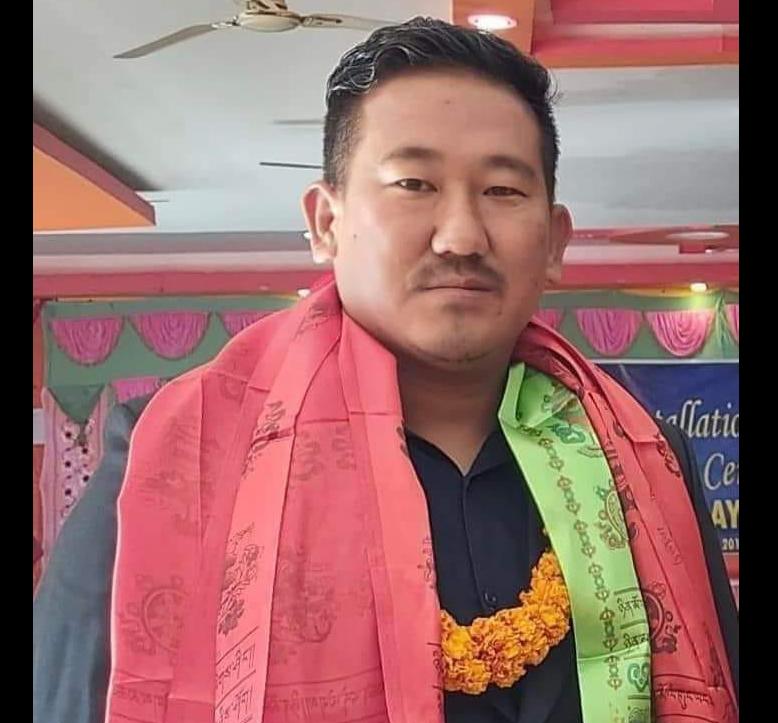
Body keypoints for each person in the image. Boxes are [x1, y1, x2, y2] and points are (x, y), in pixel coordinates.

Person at [34, 17, 737, 723]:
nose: (460, 236)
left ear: (554, 243)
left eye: (502, 190)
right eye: (413, 183)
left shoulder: (647, 460)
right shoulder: (178, 456)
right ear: (326, 223)